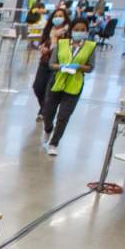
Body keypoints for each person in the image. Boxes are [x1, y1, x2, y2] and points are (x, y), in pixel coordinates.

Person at [41, 17, 96, 157]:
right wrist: (60, 66)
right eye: (76, 30)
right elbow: (51, 63)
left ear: (87, 31)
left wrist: (78, 67)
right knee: (48, 111)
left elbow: (90, 67)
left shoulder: (90, 47)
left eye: (82, 30)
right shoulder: (62, 43)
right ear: (71, 30)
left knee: (63, 116)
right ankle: (48, 129)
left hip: (74, 84)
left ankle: (54, 143)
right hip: (57, 80)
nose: (79, 32)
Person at [33, 8, 69, 120]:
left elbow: (64, 49)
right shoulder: (49, 30)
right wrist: (42, 47)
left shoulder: (66, 33)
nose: (58, 18)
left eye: (60, 16)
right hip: (44, 62)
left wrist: (50, 49)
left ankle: (44, 112)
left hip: (56, 65)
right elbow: (42, 42)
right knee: (37, 88)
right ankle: (45, 109)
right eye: (56, 16)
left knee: (49, 90)